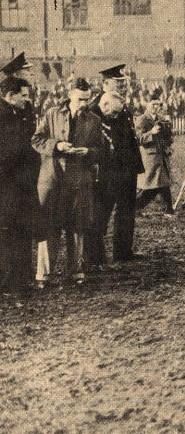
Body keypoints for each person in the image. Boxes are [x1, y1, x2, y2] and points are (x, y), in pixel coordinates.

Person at [32, 78, 107, 288]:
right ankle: (44, 275)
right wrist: (57, 146)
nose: (84, 103)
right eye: (80, 99)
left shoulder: (94, 120)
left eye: (87, 99)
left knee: (77, 227)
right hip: (53, 179)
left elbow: (101, 151)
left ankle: (76, 271)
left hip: (79, 181)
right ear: (70, 94)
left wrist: (89, 153)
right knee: (49, 227)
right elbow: (36, 140)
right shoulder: (52, 114)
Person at [88, 65, 145, 266]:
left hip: (127, 168)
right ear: (105, 84)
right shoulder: (96, 107)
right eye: (117, 83)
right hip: (109, 169)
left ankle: (123, 251)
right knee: (102, 212)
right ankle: (94, 257)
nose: (121, 86)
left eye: (122, 83)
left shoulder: (122, 104)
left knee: (126, 211)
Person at [0, 76, 38, 294]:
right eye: (23, 95)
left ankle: (20, 278)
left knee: (21, 229)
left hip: (21, 182)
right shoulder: (4, 115)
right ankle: (8, 281)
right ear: (10, 95)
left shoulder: (20, 112)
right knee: (7, 232)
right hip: (7, 184)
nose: (27, 99)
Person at [135, 93, 175, 215]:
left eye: (158, 104)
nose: (156, 107)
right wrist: (151, 132)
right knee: (153, 186)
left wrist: (168, 131)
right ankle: (135, 207)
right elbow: (138, 139)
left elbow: (166, 138)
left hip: (160, 156)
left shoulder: (159, 119)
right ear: (147, 104)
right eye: (153, 104)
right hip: (150, 158)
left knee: (161, 183)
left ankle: (169, 209)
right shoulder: (142, 119)